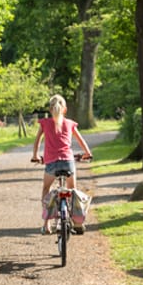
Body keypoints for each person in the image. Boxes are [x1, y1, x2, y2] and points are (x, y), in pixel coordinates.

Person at [31, 94, 93, 234]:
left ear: (50, 109)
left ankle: (46, 224)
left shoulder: (45, 123)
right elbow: (81, 141)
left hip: (51, 163)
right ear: (64, 109)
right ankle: (77, 222)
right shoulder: (70, 123)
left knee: (46, 189)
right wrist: (87, 153)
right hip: (68, 162)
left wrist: (35, 156)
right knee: (73, 190)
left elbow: (37, 141)